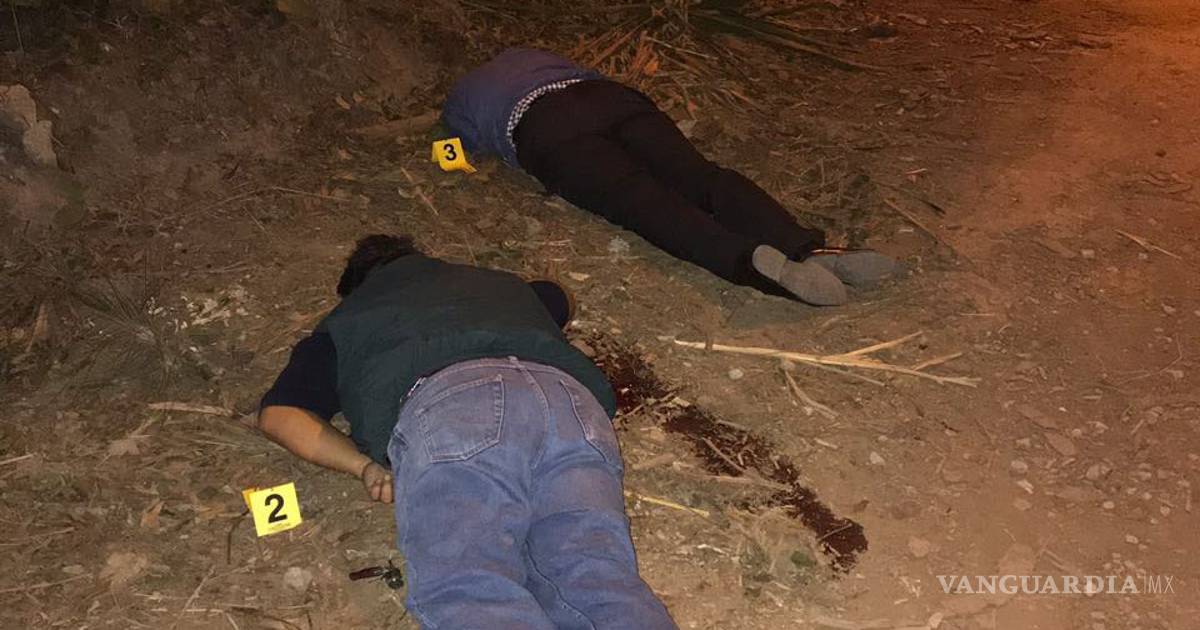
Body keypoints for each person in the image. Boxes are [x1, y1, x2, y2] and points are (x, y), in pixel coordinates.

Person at [257, 234, 678, 630]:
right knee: (594, 576)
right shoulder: (499, 283)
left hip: (459, 409)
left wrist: (364, 465)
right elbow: (561, 296)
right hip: (571, 407)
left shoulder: (350, 319)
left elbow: (279, 415)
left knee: (471, 584)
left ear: (358, 287)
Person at [442, 48, 899, 306]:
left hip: (546, 126)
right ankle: (805, 247)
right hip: (609, 98)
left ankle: (752, 264)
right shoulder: (531, 54)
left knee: (643, 200)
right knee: (701, 177)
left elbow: (452, 154)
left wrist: (468, 161)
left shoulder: (461, 99)